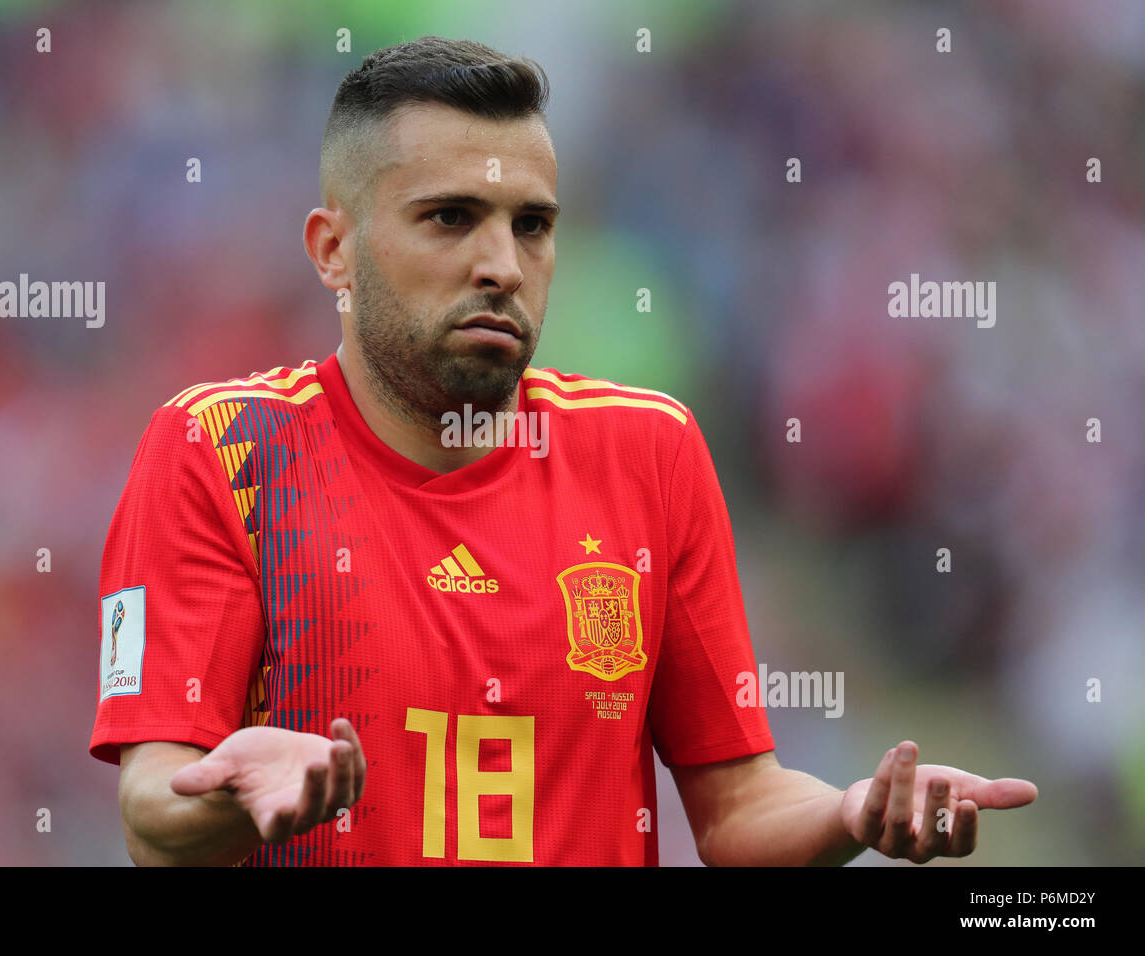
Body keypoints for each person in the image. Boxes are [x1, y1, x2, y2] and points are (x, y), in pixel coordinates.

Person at [89, 35, 1037, 866]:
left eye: (531, 225)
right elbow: (151, 814)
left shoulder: (648, 453)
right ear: (333, 250)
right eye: (451, 217)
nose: (502, 262)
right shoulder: (219, 449)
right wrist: (233, 797)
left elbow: (739, 806)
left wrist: (849, 816)